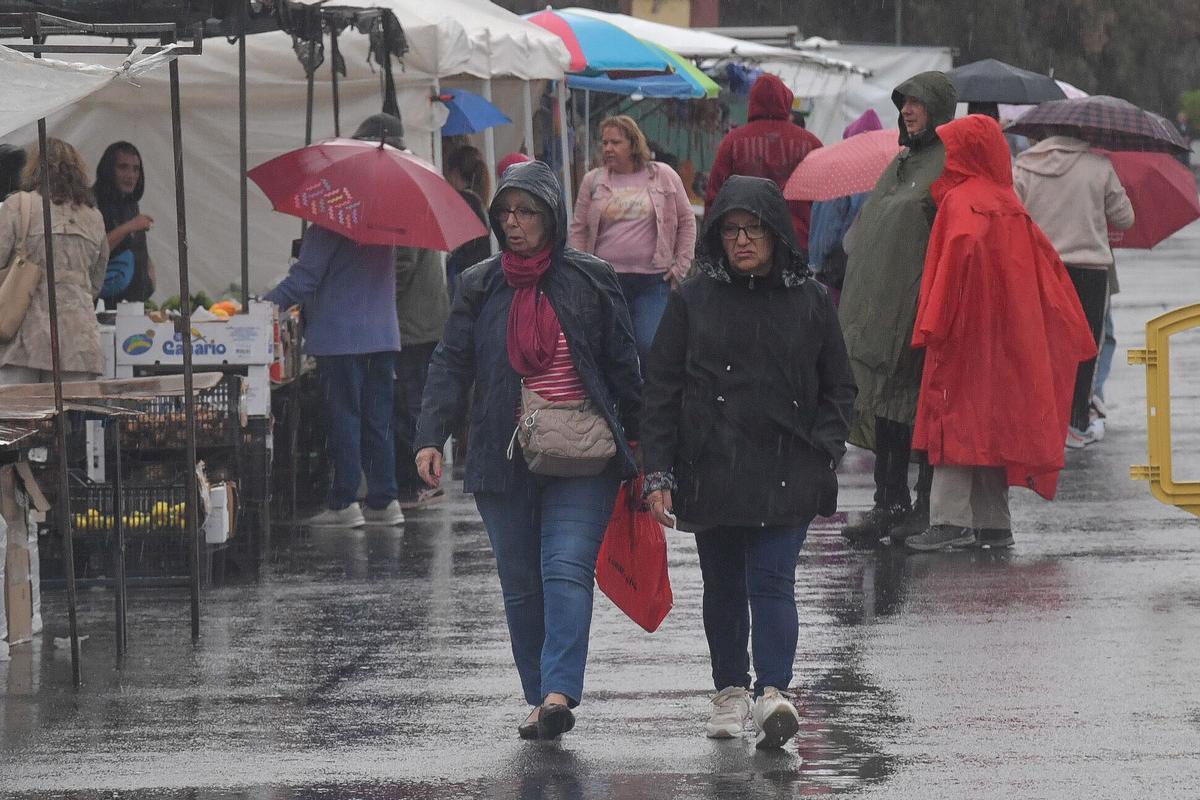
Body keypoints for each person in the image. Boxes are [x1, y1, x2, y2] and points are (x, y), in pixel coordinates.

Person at [414, 160, 642, 741]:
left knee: (565, 568)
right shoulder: (480, 284)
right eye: (506, 213)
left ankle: (559, 690)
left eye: (527, 212)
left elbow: (624, 364)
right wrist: (430, 436)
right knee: (521, 584)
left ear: (553, 218)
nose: (513, 223)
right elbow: (450, 362)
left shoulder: (590, 278)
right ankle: (541, 697)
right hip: (503, 453)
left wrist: (647, 450)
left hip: (584, 454)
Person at [641, 175, 856, 749]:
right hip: (711, 463)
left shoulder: (810, 300)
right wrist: (658, 471)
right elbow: (661, 388)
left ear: (775, 233)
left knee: (772, 579)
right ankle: (730, 689)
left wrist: (825, 449)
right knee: (723, 584)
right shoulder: (693, 300)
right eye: (731, 230)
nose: (742, 241)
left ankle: (774, 691)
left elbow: (839, 386)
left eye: (754, 229)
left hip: (790, 465)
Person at [902, 115, 1096, 551]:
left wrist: (933, 323)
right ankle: (994, 523)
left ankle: (949, 520)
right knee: (993, 422)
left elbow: (954, 263)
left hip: (964, 332)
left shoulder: (959, 201)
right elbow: (1044, 271)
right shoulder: (1009, 202)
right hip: (1006, 334)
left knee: (954, 417)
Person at [263, 115, 404, 529]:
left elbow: (304, 279)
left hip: (341, 337)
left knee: (344, 418)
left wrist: (261, 306)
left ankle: (345, 502)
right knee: (377, 421)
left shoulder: (332, 212)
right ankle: (384, 500)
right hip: (383, 335)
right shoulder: (387, 213)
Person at [837, 71, 957, 546]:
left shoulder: (946, 163)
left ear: (937, 108)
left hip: (919, 305)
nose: (906, 110)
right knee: (885, 403)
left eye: (917, 102)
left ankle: (925, 505)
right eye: (903, 102)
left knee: (917, 405)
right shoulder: (902, 161)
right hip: (881, 308)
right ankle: (888, 503)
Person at [1013, 129, 1134, 447]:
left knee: (1042, 345)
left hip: (1043, 267)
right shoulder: (1099, 166)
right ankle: (1076, 421)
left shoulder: (1024, 165)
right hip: (1090, 270)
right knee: (1087, 347)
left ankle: (1040, 419)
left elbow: (1014, 214)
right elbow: (1125, 218)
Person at [569, 115, 695, 366]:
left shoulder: (663, 175)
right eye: (604, 142)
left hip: (653, 280)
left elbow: (687, 221)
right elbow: (579, 229)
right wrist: (581, 270)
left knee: (649, 344)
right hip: (606, 279)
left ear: (633, 144)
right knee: (612, 349)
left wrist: (681, 265)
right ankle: (621, 391)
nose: (608, 148)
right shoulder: (593, 180)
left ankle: (650, 389)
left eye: (615, 142)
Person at [0, 139, 108, 385]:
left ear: (33, 168)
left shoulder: (19, 205)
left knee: (17, 409)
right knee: (71, 409)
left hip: (22, 337)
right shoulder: (94, 216)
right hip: (78, 341)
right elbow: (96, 281)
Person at [704, 73, 823, 246]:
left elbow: (715, 196)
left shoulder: (733, 142)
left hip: (745, 241)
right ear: (786, 100)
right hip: (798, 240)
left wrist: (712, 242)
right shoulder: (811, 144)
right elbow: (823, 200)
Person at [807, 109, 883, 305]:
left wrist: (818, 264)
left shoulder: (837, 175)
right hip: (865, 278)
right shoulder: (885, 177)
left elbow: (824, 234)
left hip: (833, 277)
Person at [93, 141, 156, 307]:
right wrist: (129, 226)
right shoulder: (92, 203)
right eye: (123, 167)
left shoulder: (130, 202)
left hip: (133, 304)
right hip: (105, 307)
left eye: (136, 169)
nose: (131, 175)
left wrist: (150, 274)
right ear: (109, 170)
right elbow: (94, 251)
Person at [444, 144, 492, 297]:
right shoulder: (478, 202)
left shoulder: (462, 201)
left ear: (454, 173)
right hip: (478, 277)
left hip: (464, 277)